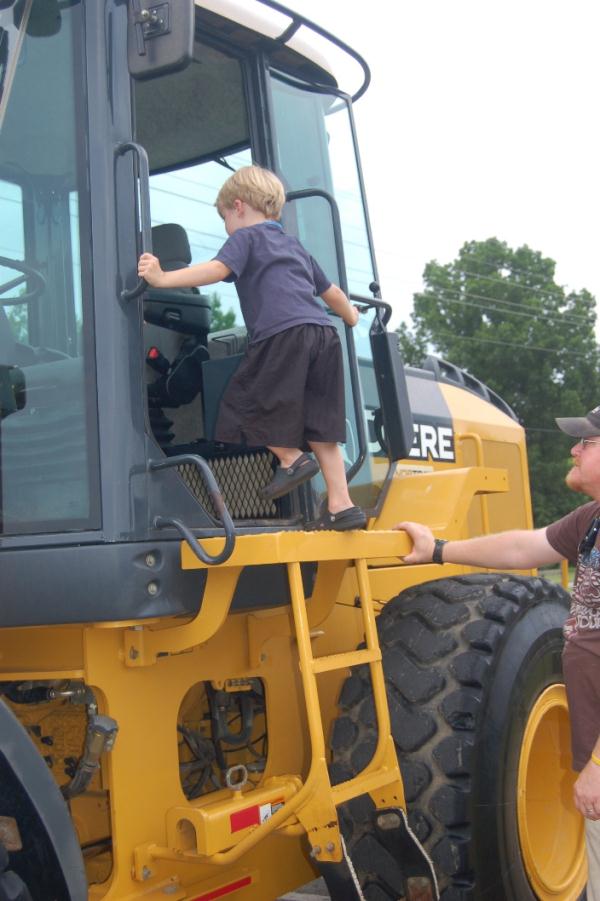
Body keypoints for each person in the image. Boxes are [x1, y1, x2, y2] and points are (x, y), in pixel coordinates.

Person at [397, 404, 600, 901]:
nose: (574, 449)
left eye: (588, 443)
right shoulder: (592, 521)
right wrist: (440, 550)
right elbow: (522, 549)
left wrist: (598, 765)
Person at [138, 165, 365, 531]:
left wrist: (163, 279)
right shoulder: (294, 246)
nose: (227, 226)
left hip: (282, 335)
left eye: (225, 217)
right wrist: (351, 317)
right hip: (324, 336)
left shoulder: (246, 239)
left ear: (239, 206)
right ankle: (342, 504)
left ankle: (291, 459)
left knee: (243, 403)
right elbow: (332, 292)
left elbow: (215, 269)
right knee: (321, 425)